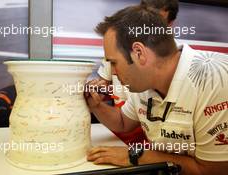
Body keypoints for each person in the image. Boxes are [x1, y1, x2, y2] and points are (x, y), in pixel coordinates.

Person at [85, 5, 228, 175]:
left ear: (139, 53)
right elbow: (123, 122)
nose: (113, 73)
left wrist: (135, 156)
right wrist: (96, 105)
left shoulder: (214, 80)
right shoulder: (145, 82)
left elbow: (212, 171)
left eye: (114, 63)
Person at [96, 0, 179, 145]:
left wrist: (136, 157)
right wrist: (95, 100)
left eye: (159, 21)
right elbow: (123, 122)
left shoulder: (207, 82)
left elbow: (210, 166)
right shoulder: (141, 83)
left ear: (170, 24)